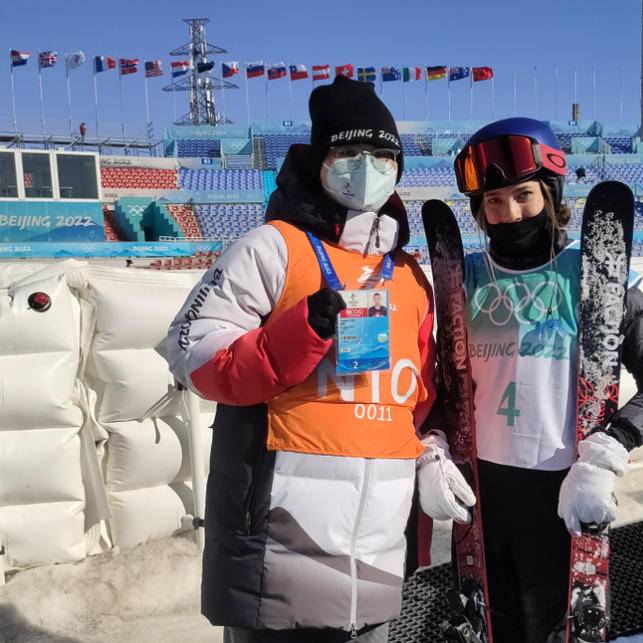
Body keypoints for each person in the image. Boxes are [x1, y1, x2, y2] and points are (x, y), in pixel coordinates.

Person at [166, 75, 473, 643]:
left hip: (377, 549)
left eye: (383, 154)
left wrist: (430, 456)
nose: (367, 166)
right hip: (281, 544)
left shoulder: (408, 276)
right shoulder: (271, 247)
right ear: (319, 158)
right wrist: (292, 339)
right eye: (350, 152)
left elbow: (416, 401)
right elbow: (191, 352)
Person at [444, 117, 643, 642]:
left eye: (524, 196)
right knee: (494, 622)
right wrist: (433, 444)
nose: (509, 213)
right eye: (493, 202)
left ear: (552, 195)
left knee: (553, 625)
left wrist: (610, 449)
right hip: (483, 488)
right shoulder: (462, 278)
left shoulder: (594, 274)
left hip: (562, 484)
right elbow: (436, 378)